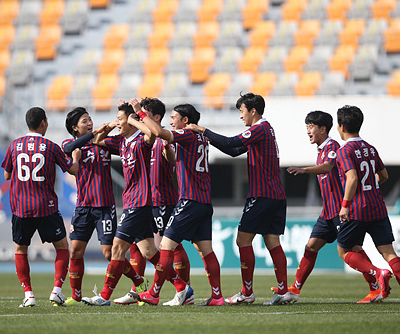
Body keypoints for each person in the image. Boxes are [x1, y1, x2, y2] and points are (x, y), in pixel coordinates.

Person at [185, 93, 293, 306]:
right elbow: (233, 150)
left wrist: (202, 130)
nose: (240, 116)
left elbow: (232, 141)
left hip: (262, 195)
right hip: (276, 195)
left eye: (242, 111)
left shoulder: (259, 129)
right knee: (272, 242)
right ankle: (283, 291)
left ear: (253, 111)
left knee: (242, 240)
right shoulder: (265, 130)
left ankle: (247, 292)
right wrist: (209, 138)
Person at [284, 110, 383, 304]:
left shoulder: (333, 147)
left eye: (311, 127)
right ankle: (295, 289)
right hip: (327, 212)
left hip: (341, 211)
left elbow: (329, 166)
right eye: (306, 127)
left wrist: (304, 170)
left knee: (353, 249)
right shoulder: (321, 149)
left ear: (323, 129)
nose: (307, 131)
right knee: (311, 247)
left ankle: (376, 286)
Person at [131, 101, 222, 306]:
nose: (170, 121)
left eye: (174, 117)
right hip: (204, 201)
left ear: (185, 120)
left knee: (165, 246)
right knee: (206, 250)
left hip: (189, 200)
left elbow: (157, 131)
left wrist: (139, 113)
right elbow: (172, 155)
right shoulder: (201, 138)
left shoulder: (187, 134)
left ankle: (154, 293)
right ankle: (217, 296)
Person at [80, 102, 165, 306]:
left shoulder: (141, 141)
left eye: (120, 119)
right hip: (132, 201)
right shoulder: (122, 142)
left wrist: (136, 116)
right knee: (149, 252)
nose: (118, 123)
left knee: (117, 248)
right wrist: (111, 125)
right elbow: (98, 140)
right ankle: (182, 287)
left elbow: (153, 134)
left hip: (140, 201)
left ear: (132, 121)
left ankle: (104, 296)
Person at [335, 105, 400, 312]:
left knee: (344, 250)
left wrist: (345, 205)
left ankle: (376, 273)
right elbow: (384, 175)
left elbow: (352, 178)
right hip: (378, 205)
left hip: (357, 208)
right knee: (388, 252)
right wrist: (370, 185)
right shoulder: (370, 148)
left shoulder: (344, 150)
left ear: (341, 127)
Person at [61, 107, 147, 306]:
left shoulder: (103, 144)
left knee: (110, 253)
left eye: (90, 119)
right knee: (75, 252)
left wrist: (109, 129)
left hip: (105, 207)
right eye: (84, 121)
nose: (89, 123)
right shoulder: (71, 145)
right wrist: (95, 132)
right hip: (83, 207)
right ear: (75, 128)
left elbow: (128, 144)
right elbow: (66, 150)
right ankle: (76, 295)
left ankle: (139, 283)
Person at [114, 97, 192, 306]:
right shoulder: (140, 138)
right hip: (146, 200)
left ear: (155, 117)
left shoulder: (162, 136)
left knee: (172, 247)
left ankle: (184, 288)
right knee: (139, 246)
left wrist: (137, 118)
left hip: (163, 201)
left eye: (144, 113)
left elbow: (172, 158)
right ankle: (138, 289)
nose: (140, 117)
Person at [1, 106, 80, 307]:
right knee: (62, 247)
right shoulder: (51, 146)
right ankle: (56, 291)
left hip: (21, 207)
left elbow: (7, 175)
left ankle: (29, 294)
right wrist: (77, 158)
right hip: (46, 206)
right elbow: (72, 170)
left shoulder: (14, 145)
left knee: (20, 249)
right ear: (43, 122)